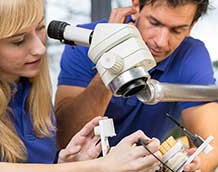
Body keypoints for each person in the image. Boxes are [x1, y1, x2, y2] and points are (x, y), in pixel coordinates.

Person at [0, 0, 164, 172]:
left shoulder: (30, 89)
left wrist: (67, 163)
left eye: (40, 28)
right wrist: (99, 166)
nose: (39, 48)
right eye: (18, 40)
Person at [55, 0, 218, 171]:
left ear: (192, 25)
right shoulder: (84, 40)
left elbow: (210, 145)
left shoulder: (190, 56)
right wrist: (109, 58)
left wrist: (195, 167)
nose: (161, 42)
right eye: (154, 23)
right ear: (136, 6)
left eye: (177, 30)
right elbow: (66, 139)